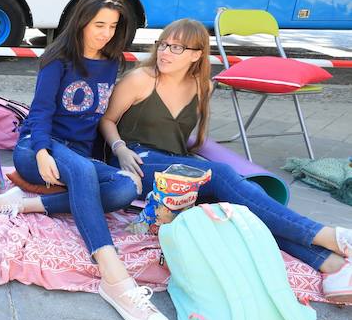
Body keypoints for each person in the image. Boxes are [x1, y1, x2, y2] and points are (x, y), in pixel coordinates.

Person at [100, 18, 352, 303]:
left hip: (179, 166)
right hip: (137, 163)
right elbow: (107, 120)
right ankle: (329, 235)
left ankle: (330, 265)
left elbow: (189, 138)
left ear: (197, 54)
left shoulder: (202, 86)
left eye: (177, 48)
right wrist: (119, 148)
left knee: (242, 205)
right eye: (164, 44)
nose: (166, 52)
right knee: (219, 175)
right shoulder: (142, 79)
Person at [0, 0, 170, 320]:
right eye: (99, 24)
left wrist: (118, 149)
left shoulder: (113, 62)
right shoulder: (59, 59)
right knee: (84, 170)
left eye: (113, 26)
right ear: (82, 21)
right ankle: (114, 278)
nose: (106, 33)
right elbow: (39, 112)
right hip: (37, 147)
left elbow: (97, 119)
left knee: (125, 188)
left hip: (77, 156)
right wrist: (40, 151)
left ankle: (26, 205)